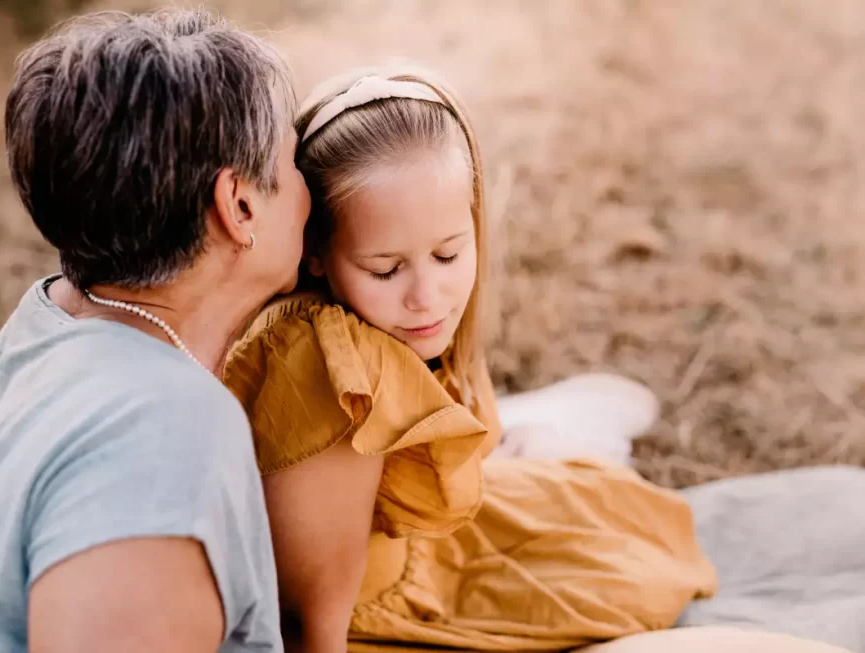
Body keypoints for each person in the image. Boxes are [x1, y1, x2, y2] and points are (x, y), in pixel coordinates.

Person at [223, 64, 719, 652]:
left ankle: (540, 438)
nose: (426, 298)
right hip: (363, 617)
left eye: (449, 253)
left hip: (415, 552)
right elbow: (307, 619)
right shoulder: (326, 369)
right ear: (317, 256)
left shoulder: (399, 324)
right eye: (385, 269)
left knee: (620, 530)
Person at [0, 9, 309, 653]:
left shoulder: (53, 312)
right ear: (239, 206)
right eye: (295, 162)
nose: (311, 188)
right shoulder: (165, 435)